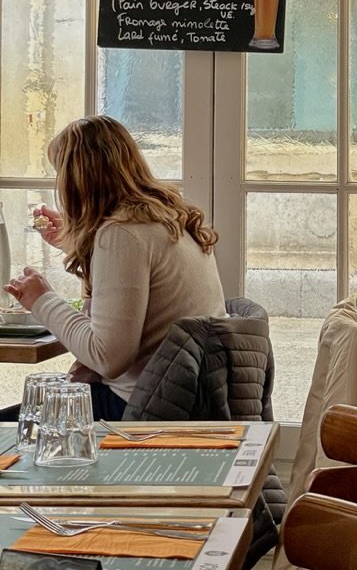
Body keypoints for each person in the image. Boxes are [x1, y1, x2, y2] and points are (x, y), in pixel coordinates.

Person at [3, 115, 227, 419]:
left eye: (60, 173)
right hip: (185, 399)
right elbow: (134, 291)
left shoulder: (122, 234)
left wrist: (41, 299)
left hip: (141, 410)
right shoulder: (168, 218)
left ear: (76, 179)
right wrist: (76, 242)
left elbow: (107, 357)